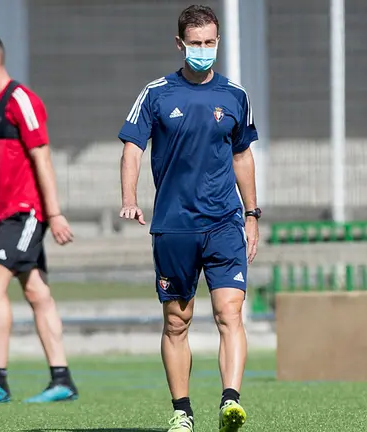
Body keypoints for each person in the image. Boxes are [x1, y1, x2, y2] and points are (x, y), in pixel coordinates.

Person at [118, 5, 260, 432]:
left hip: (224, 222)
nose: (203, 49)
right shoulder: (157, 93)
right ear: (180, 44)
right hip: (175, 226)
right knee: (177, 321)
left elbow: (242, 156)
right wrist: (129, 198)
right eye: (195, 43)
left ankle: (230, 401)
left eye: (210, 42)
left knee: (229, 313)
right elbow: (132, 148)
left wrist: (252, 214)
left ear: (218, 41)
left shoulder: (235, 95)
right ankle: (182, 411)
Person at [0, 31, 78, 404]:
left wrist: (53, 213)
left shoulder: (22, 100)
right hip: (10, 214)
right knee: (37, 293)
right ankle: (62, 379)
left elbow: (42, 157)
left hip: (28, 212)